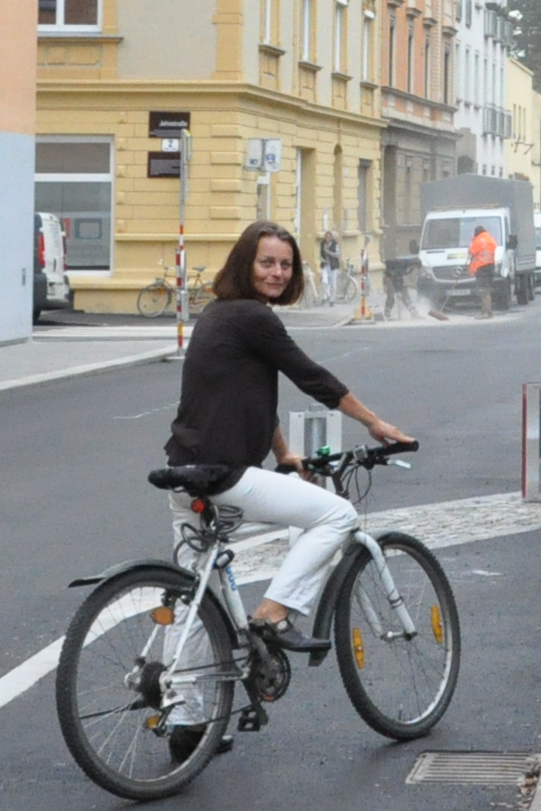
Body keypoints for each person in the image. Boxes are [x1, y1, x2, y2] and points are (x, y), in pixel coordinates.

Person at [159, 221, 411, 760]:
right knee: (337, 517)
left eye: (286, 265)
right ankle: (275, 614)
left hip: (184, 470)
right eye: (266, 262)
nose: (277, 273)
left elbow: (251, 394)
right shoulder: (251, 316)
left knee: (196, 594)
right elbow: (310, 376)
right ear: (245, 264)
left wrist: (282, 453)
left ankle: (184, 720)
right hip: (224, 472)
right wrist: (375, 424)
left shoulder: (222, 314)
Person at [468, 222, 499, 318]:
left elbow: (471, 252)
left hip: (482, 268)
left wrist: (473, 240)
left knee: (483, 291)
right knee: (485, 290)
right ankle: (485, 312)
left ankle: (487, 312)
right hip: (490, 266)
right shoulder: (490, 239)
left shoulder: (478, 241)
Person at [318, 227, 340, 303]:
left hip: (333, 265)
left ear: (331, 238)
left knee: (333, 283)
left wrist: (329, 253)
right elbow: (320, 254)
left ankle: (332, 299)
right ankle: (325, 296)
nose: (327, 238)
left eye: (328, 237)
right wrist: (322, 259)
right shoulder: (322, 244)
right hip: (325, 265)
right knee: (324, 281)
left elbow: (337, 254)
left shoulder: (335, 244)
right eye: (326, 237)